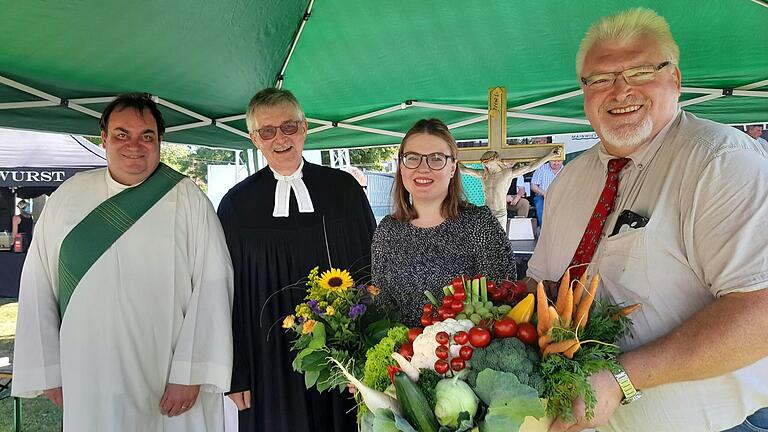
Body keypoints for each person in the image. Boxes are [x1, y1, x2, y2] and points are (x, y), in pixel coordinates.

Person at [523, 9, 768, 432]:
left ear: (675, 79)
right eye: (599, 79)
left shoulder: (722, 161)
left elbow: (759, 311)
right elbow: (542, 287)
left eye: (640, 71)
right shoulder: (569, 179)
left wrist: (621, 379)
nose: (620, 91)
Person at [12, 93, 234, 431]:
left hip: (168, 377)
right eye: (121, 134)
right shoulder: (68, 198)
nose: (135, 145)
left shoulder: (187, 198)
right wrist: (50, 370)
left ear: (160, 140)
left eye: (146, 135)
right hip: (89, 372)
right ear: (103, 139)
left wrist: (192, 372)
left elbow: (214, 284)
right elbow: (37, 285)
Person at [218, 87, 375, 432]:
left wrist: (370, 352)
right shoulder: (235, 205)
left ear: (305, 128)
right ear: (254, 138)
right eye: (267, 131)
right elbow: (226, 294)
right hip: (267, 357)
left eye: (289, 127)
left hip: (342, 351)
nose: (280, 139)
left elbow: (371, 269)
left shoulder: (344, 190)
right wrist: (237, 371)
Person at [371, 119, 516, 327]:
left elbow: (505, 303)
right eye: (412, 158)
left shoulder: (480, 224)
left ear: (452, 167)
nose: (423, 169)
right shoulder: (387, 230)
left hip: (464, 356)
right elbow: (381, 307)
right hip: (400, 355)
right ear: (401, 167)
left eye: (436, 159)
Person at [460, 147, 560, 230]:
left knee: (500, 244)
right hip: (487, 212)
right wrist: (453, 160)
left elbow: (530, 167)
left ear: (496, 162)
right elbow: (464, 170)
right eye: (485, 165)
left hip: (500, 213)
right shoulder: (484, 174)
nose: (488, 167)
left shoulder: (506, 174)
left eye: (489, 165)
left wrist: (549, 156)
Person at [530, 158, 563, 227]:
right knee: (540, 208)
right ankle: (544, 230)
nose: (556, 163)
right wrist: (544, 193)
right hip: (542, 196)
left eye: (559, 161)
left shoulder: (565, 170)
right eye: (554, 161)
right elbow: (533, 186)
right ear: (549, 160)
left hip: (560, 197)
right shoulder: (541, 169)